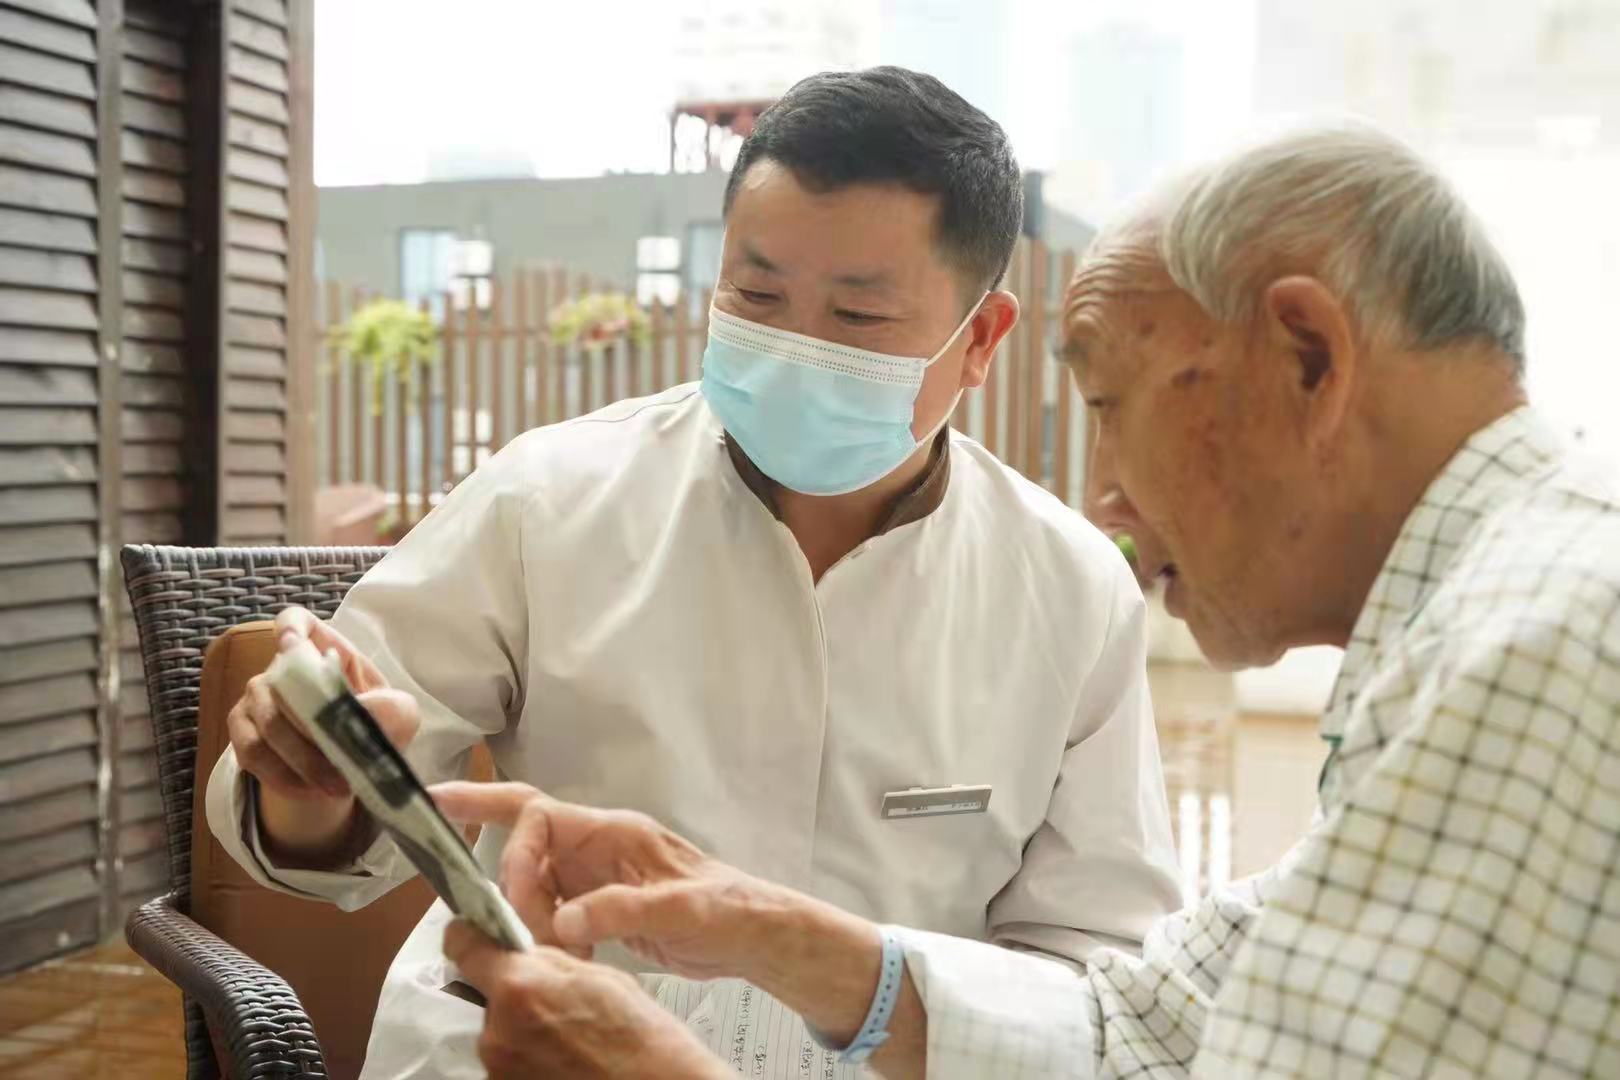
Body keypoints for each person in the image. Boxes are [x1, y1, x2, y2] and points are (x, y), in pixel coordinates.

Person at [437, 121, 1620, 1078]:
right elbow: (1148, 1032)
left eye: (1108, 404)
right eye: (759, 295)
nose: (1106, 495)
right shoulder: (1504, 621)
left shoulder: (1537, 652)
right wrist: (765, 931)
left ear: (1306, 358)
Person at [208, 66, 1181, 1078]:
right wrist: (312, 786)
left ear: (978, 339)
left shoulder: (1067, 590)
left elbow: (1093, 962)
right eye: (756, 297)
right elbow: (331, 810)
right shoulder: (548, 501)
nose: (793, 348)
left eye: (857, 319)